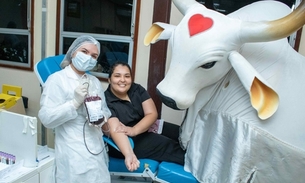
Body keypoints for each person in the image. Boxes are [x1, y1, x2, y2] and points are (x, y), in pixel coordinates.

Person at [38, 35, 111, 183]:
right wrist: (74, 103)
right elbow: (46, 118)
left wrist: (101, 119)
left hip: (96, 146)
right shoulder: (57, 80)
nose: (88, 57)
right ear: (73, 52)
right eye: (84, 51)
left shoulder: (94, 82)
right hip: (72, 150)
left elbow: (105, 110)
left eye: (94, 56)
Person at [104, 61, 186, 172]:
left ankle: (209, 158)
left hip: (143, 128)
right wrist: (129, 154)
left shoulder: (136, 89)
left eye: (127, 76)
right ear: (109, 79)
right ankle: (202, 170)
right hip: (125, 141)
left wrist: (134, 129)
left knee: (183, 134)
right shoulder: (106, 100)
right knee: (167, 145)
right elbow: (115, 129)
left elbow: (152, 113)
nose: (123, 80)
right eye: (117, 76)